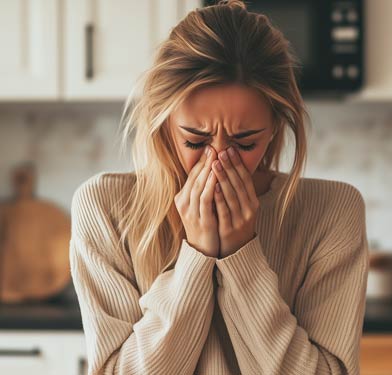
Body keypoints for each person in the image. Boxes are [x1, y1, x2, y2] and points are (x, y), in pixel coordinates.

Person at [69, 1, 369, 374]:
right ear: (164, 123)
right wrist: (195, 257)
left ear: (275, 127)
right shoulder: (104, 209)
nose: (218, 162)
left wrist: (242, 255)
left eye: (245, 144)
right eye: (195, 142)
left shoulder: (333, 211)